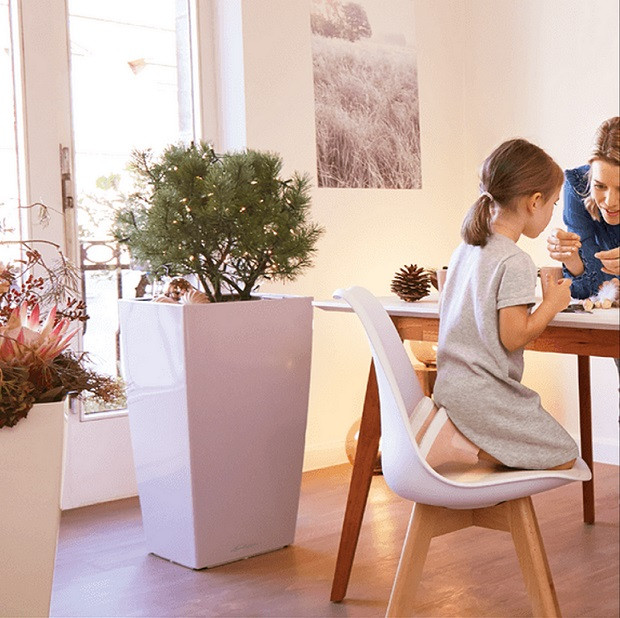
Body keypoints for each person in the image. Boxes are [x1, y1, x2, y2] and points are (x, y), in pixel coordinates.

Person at [419, 139, 578, 471]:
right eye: (553, 204)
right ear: (535, 201)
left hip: (451, 387)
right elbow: (514, 336)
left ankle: (456, 439)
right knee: (565, 455)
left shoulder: (465, 250)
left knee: (536, 451)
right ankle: (457, 445)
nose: (551, 213)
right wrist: (552, 304)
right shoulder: (514, 260)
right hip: (484, 395)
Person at [547, 116, 620, 298]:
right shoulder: (578, 186)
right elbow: (586, 289)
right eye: (600, 186)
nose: (610, 201)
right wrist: (571, 258)